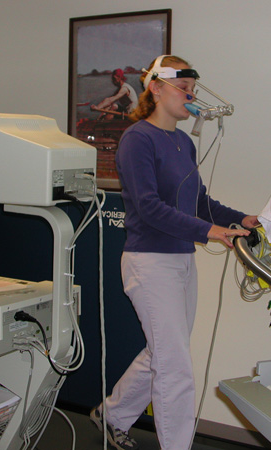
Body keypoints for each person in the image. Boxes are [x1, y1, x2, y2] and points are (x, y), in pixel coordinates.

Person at [89, 55, 259, 450]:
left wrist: (241, 219)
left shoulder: (183, 141)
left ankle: (111, 414)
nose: (192, 96)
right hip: (149, 263)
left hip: (182, 260)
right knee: (176, 366)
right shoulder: (137, 139)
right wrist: (212, 232)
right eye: (184, 89)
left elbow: (199, 202)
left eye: (192, 90)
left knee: (164, 353)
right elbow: (149, 207)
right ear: (156, 87)